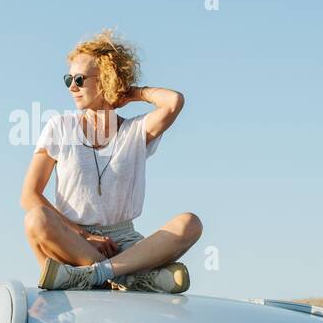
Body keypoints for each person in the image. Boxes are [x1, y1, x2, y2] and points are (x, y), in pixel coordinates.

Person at [21, 27, 202, 292]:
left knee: (190, 223)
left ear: (106, 79)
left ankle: (100, 274)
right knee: (35, 219)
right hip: (73, 238)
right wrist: (83, 234)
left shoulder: (136, 131)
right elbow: (29, 196)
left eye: (80, 79)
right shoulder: (59, 126)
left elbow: (174, 101)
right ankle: (133, 278)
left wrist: (133, 93)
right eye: (68, 79)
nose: (72, 86)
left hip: (126, 242)